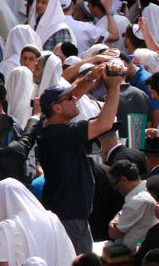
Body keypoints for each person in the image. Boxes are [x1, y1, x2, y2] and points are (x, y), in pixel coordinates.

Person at [35, 61, 124, 254]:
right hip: (70, 217)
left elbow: (72, 95)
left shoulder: (47, 124)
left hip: (66, 213)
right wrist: (114, 86)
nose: (75, 100)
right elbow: (104, 123)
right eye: (69, 99)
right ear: (57, 108)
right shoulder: (62, 133)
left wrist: (92, 76)